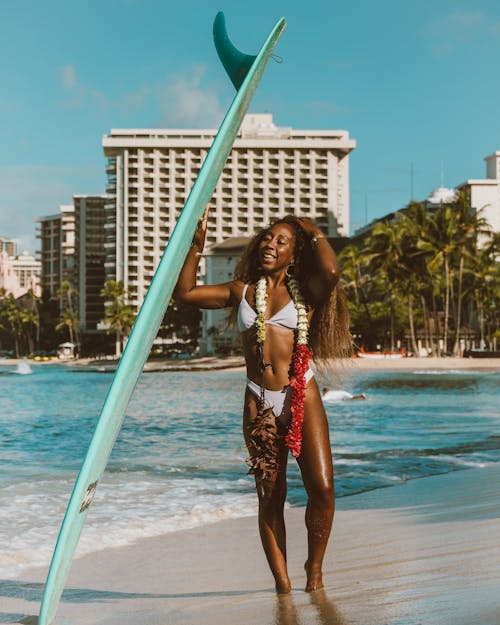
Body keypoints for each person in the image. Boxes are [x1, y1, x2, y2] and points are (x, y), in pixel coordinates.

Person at [174, 211, 351, 593]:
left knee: (321, 487)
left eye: (281, 241)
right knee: (270, 495)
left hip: (300, 393)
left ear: (294, 254)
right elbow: (185, 293)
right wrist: (195, 247)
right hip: (259, 402)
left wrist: (310, 229)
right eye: (268, 238)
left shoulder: (307, 291)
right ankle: (283, 585)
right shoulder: (242, 291)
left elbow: (332, 273)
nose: (271, 244)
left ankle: (314, 571)